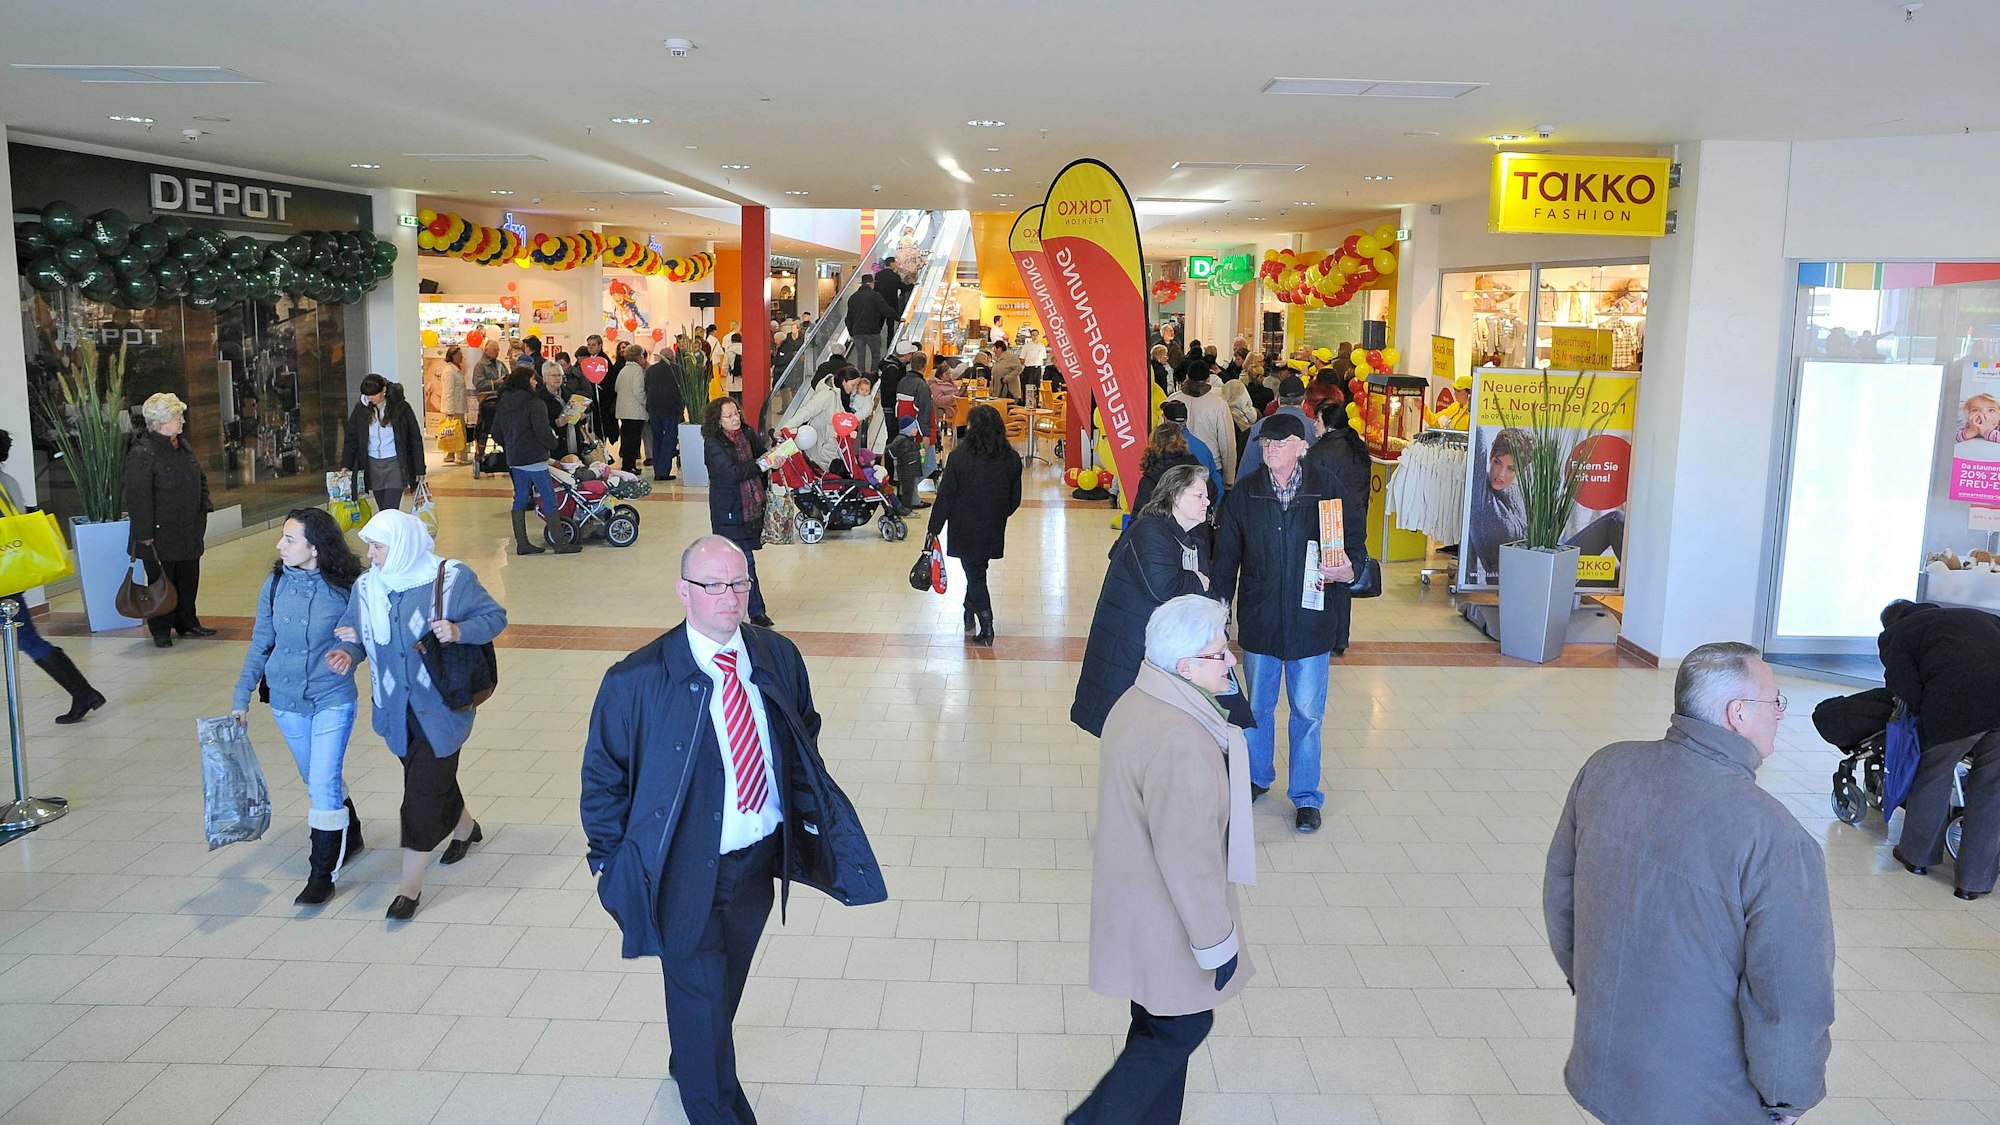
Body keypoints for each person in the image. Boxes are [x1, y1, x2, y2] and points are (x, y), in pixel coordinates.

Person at [581, 534, 885, 1125]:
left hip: (755, 863)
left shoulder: (777, 656)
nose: (729, 597)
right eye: (712, 585)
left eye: (739, 582)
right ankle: (713, 1101)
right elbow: (603, 781)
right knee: (700, 997)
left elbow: (804, 732)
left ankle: (689, 1056)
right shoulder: (635, 680)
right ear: (683, 592)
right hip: (681, 871)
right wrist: (609, 863)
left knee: (719, 990)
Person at [1545, 641, 1833, 1125]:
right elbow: (1789, 998)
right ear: (1737, 713)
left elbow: (1562, 898)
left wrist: (1593, 986)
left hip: (1603, 1063)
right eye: (1775, 701)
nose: (1780, 714)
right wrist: (1788, 1098)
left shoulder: (1607, 767)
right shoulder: (1776, 839)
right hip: (1704, 1099)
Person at [1072, 594, 1255, 1125]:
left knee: (1154, 1024)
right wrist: (1216, 943)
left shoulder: (1141, 698)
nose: (1233, 661)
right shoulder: (1183, 741)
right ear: (1186, 666)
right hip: (1166, 919)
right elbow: (1191, 860)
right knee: (1181, 1028)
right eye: (1221, 654)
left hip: (1133, 903)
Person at [333, 510, 508, 921]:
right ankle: (466, 828)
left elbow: (494, 617)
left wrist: (459, 631)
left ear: (402, 545)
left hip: (442, 709)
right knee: (429, 779)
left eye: (377, 546)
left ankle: (408, 890)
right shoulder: (367, 588)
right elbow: (356, 632)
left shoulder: (450, 579)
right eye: (370, 547)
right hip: (394, 711)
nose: (371, 555)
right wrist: (348, 651)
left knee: (419, 799)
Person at [1212, 413, 1359, 833]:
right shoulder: (1245, 494)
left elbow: (1353, 543)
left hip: (1311, 622)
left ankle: (1306, 796)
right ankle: (1257, 777)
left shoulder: (1326, 488)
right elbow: (1226, 559)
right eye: (1265, 444)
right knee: (1257, 708)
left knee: (1308, 713)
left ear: (1301, 446)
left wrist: (1352, 568)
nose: (1270, 449)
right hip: (1260, 620)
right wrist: (1219, 612)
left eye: (1280, 443)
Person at [231, 507, 366, 905]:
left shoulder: (347, 587)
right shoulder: (274, 585)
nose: (280, 545)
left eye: (290, 539)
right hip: (287, 701)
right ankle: (351, 833)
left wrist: (348, 651)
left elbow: (359, 637)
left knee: (322, 783)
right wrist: (241, 699)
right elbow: (260, 645)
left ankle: (321, 873)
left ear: (315, 547)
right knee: (315, 776)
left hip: (332, 698)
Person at [1072, 465, 1214, 737]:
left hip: (1157, 652)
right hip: (1130, 650)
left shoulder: (1193, 537)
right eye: (1198, 496)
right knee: (1128, 732)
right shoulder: (1150, 531)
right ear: (1174, 497)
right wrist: (1196, 579)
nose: (1207, 502)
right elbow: (1164, 587)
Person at [1882, 599, 2000, 898]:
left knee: (1933, 774)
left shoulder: (1899, 632)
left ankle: (1916, 857)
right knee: (1992, 790)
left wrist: (1926, 711)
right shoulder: (1982, 617)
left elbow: (1900, 683)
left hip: (1954, 708)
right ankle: (1973, 883)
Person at [0, 430, 102, 723]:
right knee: (28, 638)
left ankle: (83, 692)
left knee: (29, 640)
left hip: (4, 583)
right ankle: (83, 692)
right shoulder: (9, 483)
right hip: (11, 577)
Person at [926, 404, 1022, 645]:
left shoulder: (959, 457)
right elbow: (1015, 499)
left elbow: (946, 496)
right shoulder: (1010, 457)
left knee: (976, 574)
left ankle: (986, 625)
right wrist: (998, 513)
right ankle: (969, 610)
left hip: (964, 525)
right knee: (978, 570)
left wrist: (933, 528)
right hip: (992, 525)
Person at [124, 392, 214, 648]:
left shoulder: (181, 445)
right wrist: (144, 534)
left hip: (188, 529)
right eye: (178, 416)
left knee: (188, 578)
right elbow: (137, 497)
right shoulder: (143, 452)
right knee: (162, 583)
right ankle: (161, 630)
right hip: (158, 534)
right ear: (162, 422)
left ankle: (188, 621)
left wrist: (203, 507)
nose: (183, 421)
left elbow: (200, 478)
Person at [703, 399, 781, 628]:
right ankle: (755, 611)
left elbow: (761, 456)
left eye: (736, 413)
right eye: (728, 416)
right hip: (728, 510)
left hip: (751, 510)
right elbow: (730, 473)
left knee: (743, 562)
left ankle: (747, 608)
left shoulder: (746, 433)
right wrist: (761, 466)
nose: (735, 418)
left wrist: (774, 458)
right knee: (743, 561)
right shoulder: (713, 443)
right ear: (717, 421)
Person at [493, 367, 578, 555]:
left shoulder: (504, 402)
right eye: (533, 379)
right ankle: (560, 543)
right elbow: (542, 431)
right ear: (525, 381)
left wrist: (511, 444)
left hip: (515, 458)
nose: (536, 382)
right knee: (549, 498)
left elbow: (496, 432)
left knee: (520, 499)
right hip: (535, 458)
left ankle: (522, 544)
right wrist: (553, 444)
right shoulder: (535, 403)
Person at [342, 373, 424, 514]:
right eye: (367, 395)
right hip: (372, 463)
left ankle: (389, 534)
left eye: (374, 394)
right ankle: (388, 534)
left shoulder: (401, 408)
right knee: (382, 509)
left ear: (384, 390)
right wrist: (346, 464)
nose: (371, 398)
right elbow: (351, 439)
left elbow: (415, 439)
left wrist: (420, 468)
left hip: (395, 463)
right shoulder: (361, 409)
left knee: (390, 509)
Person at [1168, 363, 1236, 491]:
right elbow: (1227, 444)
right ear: (1208, 378)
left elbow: (1161, 436)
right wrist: (1229, 479)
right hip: (1211, 467)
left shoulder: (1172, 401)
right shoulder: (1219, 404)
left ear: (1187, 376)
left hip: (1177, 466)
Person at [1131, 422, 1202, 517]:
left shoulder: (1151, 477)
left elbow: (1139, 514)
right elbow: (1213, 494)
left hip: (1161, 529)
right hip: (1195, 528)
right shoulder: (1196, 470)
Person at [1158, 401, 1220, 500]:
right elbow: (1216, 481)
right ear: (1186, 419)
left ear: (1165, 419)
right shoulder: (1202, 447)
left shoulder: (1161, 448)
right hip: (1202, 505)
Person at [644, 345, 685, 481]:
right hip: (671, 409)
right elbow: (683, 390)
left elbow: (646, 388)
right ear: (672, 357)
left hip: (654, 410)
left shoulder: (651, 370)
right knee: (669, 440)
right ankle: (664, 471)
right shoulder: (678, 369)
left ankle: (658, 470)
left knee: (657, 439)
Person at [469, 338, 507, 476]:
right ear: (486, 350)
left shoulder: (501, 365)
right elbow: (479, 384)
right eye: (494, 350)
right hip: (487, 402)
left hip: (501, 401)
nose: (497, 352)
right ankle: (480, 455)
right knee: (484, 429)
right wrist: (496, 383)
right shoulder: (480, 366)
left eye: (498, 350)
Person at [844, 273, 894, 375]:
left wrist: (851, 332)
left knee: (860, 357)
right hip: (872, 331)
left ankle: (860, 377)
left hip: (857, 331)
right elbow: (885, 309)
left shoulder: (853, 297)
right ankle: (873, 376)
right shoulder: (875, 295)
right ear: (871, 284)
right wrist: (898, 317)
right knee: (875, 355)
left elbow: (848, 318)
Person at [439, 345, 470, 465]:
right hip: (454, 407)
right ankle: (460, 456)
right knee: (458, 431)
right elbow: (448, 391)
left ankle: (450, 454)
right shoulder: (449, 371)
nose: (461, 356)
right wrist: (449, 410)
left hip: (458, 405)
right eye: (458, 354)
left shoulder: (456, 369)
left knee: (452, 431)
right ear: (452, 356)